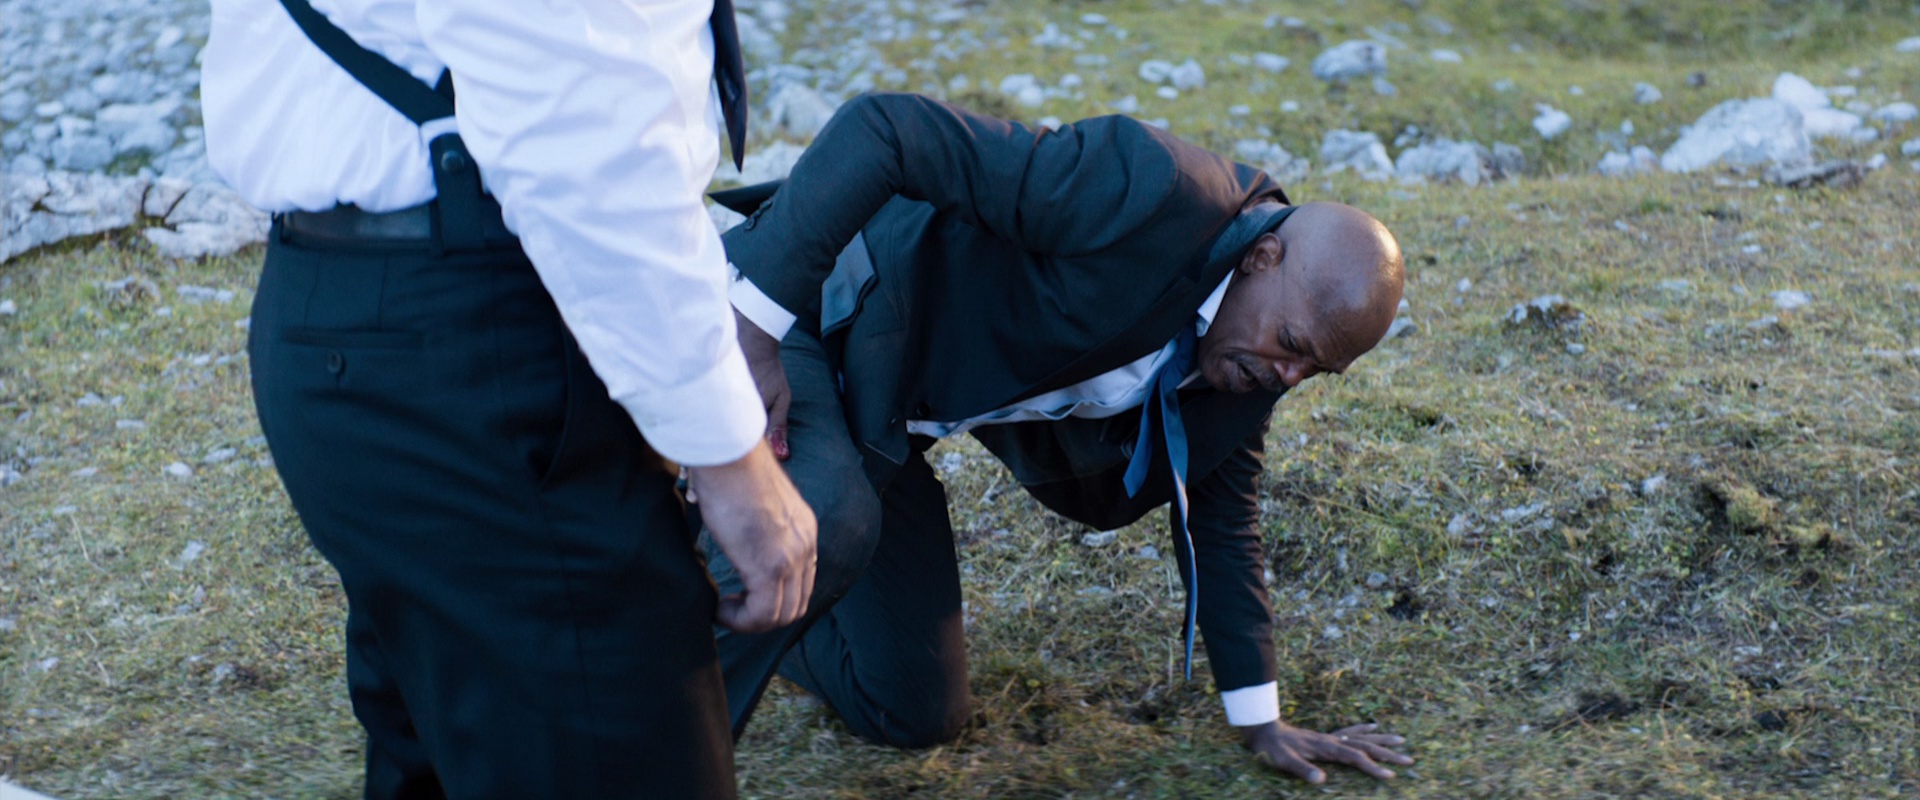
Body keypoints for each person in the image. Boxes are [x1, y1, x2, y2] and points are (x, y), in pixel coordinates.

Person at [703, 92, 1415, 784]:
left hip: (888, 422)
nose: (1289, 377)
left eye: (1315, 370)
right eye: (1292, 346)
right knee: (830, 516)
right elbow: (889, 129)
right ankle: (663, 715)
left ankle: (741, 601)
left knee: (914, 709)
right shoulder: (1150, 192)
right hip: (811, 314)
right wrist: (754, 323)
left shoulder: (1249, 363)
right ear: (1262, 257)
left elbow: (1224, 522)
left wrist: (1262, 721)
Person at [200, 0, 815, 797]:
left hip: (353, 305)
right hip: (474, 325)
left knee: (444, 744)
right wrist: (730, 457)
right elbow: (584, 144)